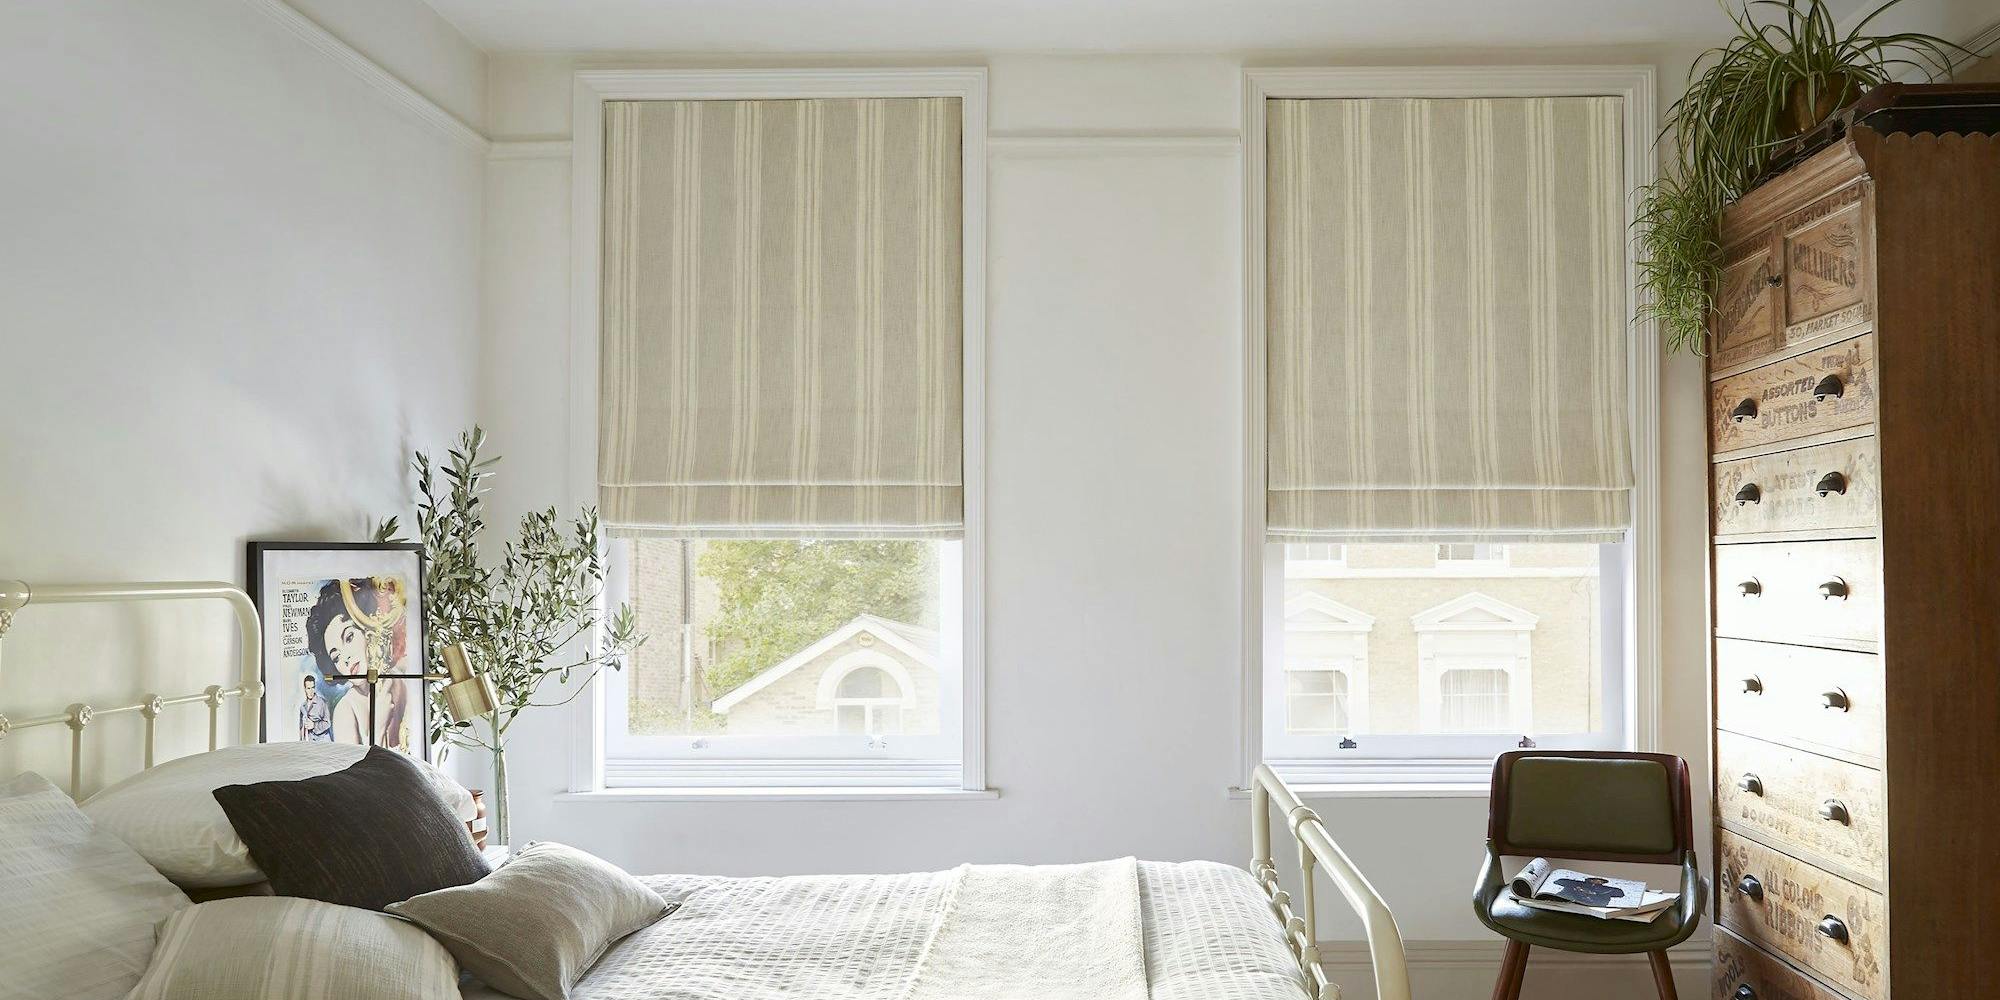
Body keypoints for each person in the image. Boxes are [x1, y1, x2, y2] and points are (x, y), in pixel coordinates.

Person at [304, 577, 414, 753]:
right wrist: (378, 730)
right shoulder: (346, 711)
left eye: (349, 638)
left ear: (367, 630)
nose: (346, 658)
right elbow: (358, 778)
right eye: (336, 657)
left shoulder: (402, 678)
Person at [297, 675, 333, 742]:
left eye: (312, 688)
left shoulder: (322, 703)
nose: (311, 691)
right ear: (305, 689)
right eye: (308, 688)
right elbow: (301, 727)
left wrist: (314, 725)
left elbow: (327, 723)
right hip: (309, 744)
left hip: (323, 743)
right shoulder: (302, 707)